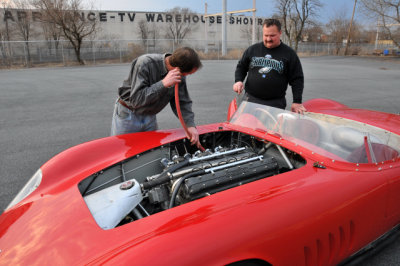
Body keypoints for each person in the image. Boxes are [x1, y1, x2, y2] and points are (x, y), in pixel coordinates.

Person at [111, 47, 202, 147]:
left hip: (150, 115)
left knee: (149, 150)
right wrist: (163, 84)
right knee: (122, 150)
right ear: (177, 68)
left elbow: (182, 102)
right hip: (129, 114)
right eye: (187, 73)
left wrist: (190, 125)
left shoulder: (179, 75)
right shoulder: (145, 63)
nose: (186, 76)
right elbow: (136, 100)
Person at [233, 18, 307, 114]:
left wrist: (297, 101)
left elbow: (297, 79)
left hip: (275, 103)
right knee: (245, 127)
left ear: (280, 33)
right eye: (266, 35)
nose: (268, 39)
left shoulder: (289, 54)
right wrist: (238, 81)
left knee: (271, 129)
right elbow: (241, 67)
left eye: (272, 35)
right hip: (250, 100)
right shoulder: (252, 50)